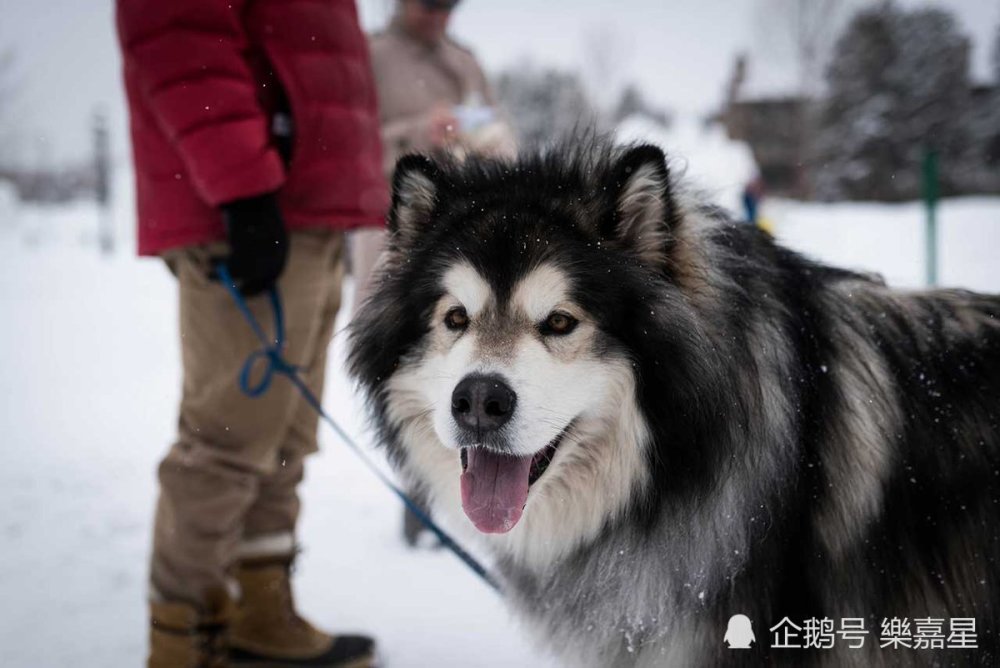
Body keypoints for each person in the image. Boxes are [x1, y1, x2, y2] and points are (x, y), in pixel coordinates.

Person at [116, 1, 387, 666]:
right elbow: (176, 31)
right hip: (252, 209)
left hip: (314, 208)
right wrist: (242, 186)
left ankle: (261, 610)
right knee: (227, 445)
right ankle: (181, 638)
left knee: (284, 438)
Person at [354, 0, 515, 546]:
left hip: (472, 243)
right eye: (430, 5)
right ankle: (420, 491)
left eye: (450, 6)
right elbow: (349, 148)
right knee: (413, 360)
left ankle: (480, 493)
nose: (440, 15)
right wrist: (418, 134)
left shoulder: (465, 61)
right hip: (395, 237)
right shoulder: (370, 57)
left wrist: (488, 142)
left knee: (482, 363)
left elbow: (497, 130)